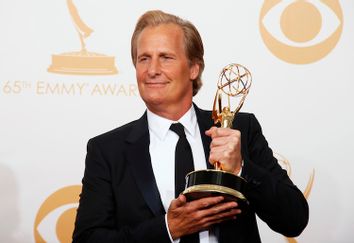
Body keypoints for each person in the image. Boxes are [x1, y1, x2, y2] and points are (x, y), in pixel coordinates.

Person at [72, 10, 309, 243]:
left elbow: (294, 219)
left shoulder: (240, 131)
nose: (152, 70)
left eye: (166, 57)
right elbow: (87, 239)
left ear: (194, 68)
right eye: (144, 58)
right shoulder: (107, 150)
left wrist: (241, 168)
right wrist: (168, 228)